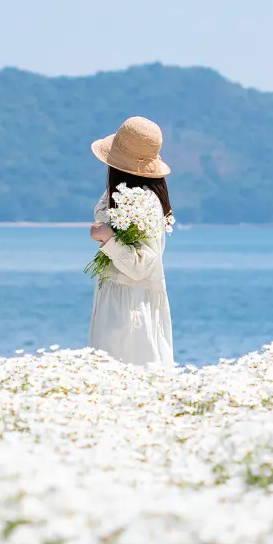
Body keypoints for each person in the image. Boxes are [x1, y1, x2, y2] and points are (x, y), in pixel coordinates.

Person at [87, 116, 174, 367]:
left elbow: (142, 265)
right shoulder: (126, 193)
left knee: (129, 375)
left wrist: (109, 238)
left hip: (132, 308)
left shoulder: (145, 201)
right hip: (119, 299)